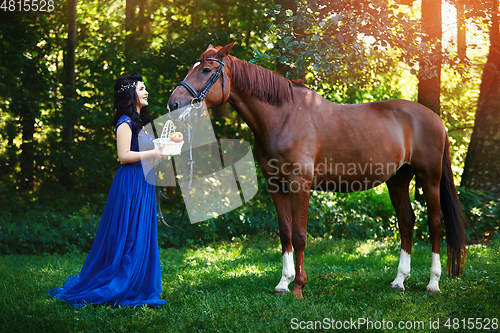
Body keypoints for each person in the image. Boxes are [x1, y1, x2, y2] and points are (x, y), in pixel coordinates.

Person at [47, 73, 168, 308]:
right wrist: (155, 153)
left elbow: (147, 154)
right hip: (130, 182)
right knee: (128, 233)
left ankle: (138, 282)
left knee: (140, 232)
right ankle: (121, 282)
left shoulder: (141, 122)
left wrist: (165, 149)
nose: (147, 92)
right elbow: (124, 156)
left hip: (143, 182)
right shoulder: (124, 121)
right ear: (130, 93)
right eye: (142, 88)